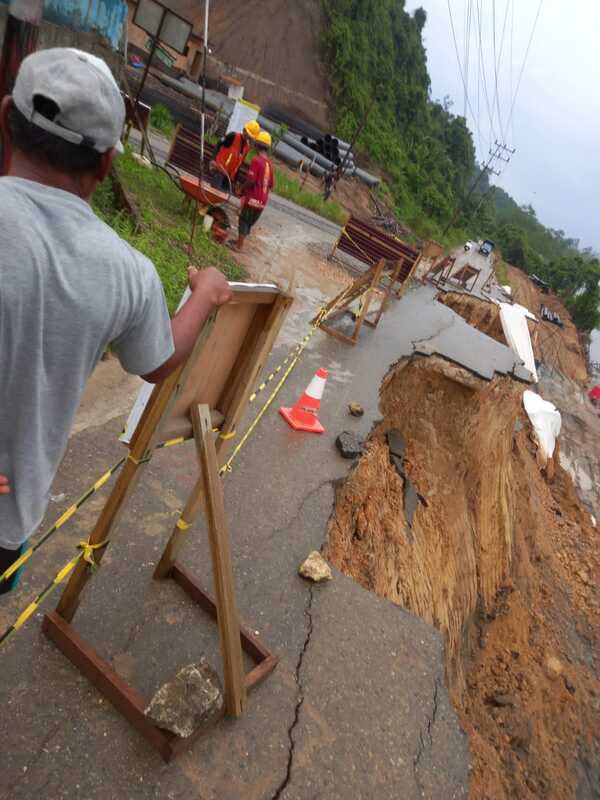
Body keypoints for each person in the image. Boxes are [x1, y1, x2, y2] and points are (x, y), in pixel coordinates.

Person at [0, 48, 232, 595]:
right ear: (106, 164)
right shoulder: (126, 272)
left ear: (6, 113)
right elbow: (157, 361)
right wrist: (205, 293)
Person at [229, 130, 273, 252]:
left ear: (256, 145)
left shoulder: (256, 161)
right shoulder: (269, 164)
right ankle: (239, 241)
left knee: (243, 219)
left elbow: (251, 180)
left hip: (253, 198)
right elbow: (271, 184)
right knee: (249, 220)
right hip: (263, 201)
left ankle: (239, 246)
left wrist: (241, 189)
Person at [210, 119, 259, 192]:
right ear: (244, 130)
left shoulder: (247, 147)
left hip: (229, 178)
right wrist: (213, 160)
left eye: (250, 137)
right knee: (215, 193)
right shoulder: (233, 136)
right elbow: (218, 144)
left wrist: (235, 180)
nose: (248, 137)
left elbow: (239, 164)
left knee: (223, 198)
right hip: (219, 171)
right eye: (247, 134)